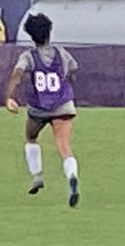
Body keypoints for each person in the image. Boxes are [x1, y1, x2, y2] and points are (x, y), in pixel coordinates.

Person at [5, 13, 80, 208]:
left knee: (31, 137)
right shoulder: (62, 53)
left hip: (38, 107)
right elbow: (73, 70)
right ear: (49, 32)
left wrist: (9, 97)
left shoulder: (29, 56)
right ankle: (72, 176)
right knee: (64, 146)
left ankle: (37, 176)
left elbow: (17, 74)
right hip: (63, 104)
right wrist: (69, 83)